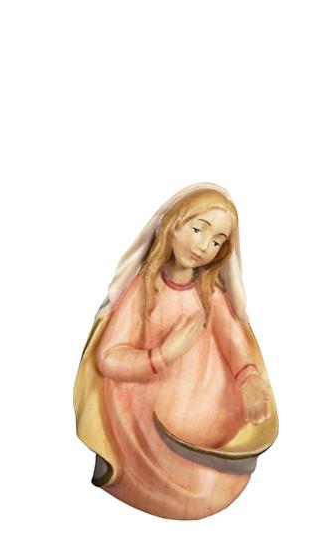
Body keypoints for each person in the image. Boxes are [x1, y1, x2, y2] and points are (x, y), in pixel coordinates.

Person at [73, 182, 278, 520]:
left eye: (217, 241)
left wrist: (248, 379)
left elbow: (233, 341)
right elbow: (108, 358)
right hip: (150, 423)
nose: (204, 246)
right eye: (198, 229)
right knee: (200, 487)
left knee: (216, 479)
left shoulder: (209, 293)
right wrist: (162, 355)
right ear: (172, 225)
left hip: (205, 415)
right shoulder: (144, 291)